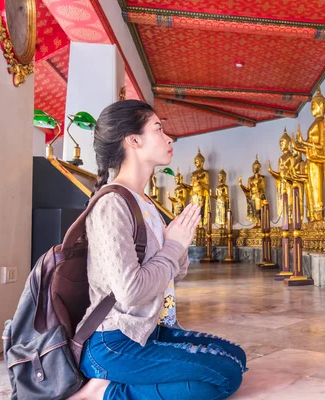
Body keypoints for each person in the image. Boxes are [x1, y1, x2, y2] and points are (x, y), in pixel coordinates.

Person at [69, 100, 246, 400]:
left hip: (148, 330)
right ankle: (104, 392)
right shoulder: (112, 204)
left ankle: (113, 382)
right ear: (133, 140)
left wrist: (179, 244)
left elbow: (175, 273)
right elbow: (132, 291)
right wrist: (173, 245)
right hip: (114, 340)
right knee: (223, 377)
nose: (169, 138)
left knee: (235, 359)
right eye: (159, 129)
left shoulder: (147, 203)